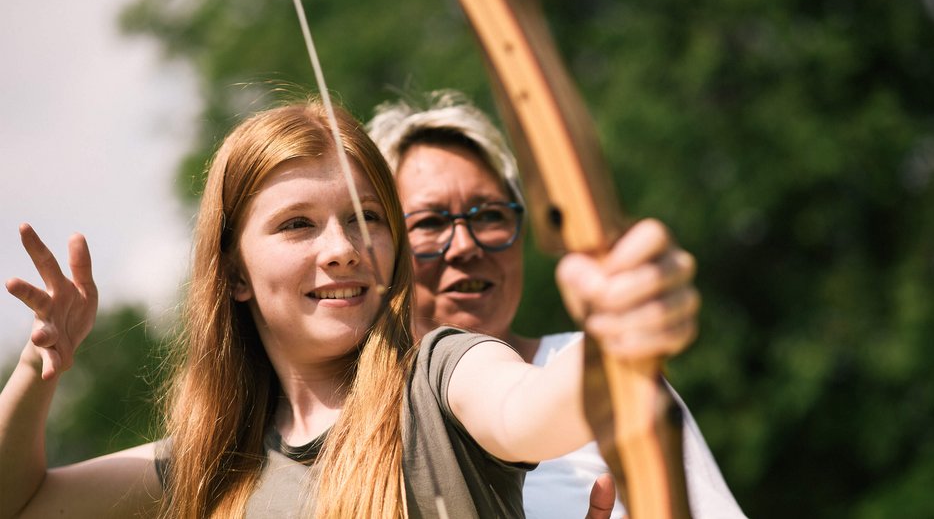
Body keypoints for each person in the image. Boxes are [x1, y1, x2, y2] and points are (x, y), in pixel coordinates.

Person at [0, 98, 699, 518]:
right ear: (234, 272)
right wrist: (39, 366)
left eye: (365, 217)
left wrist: (619, 339)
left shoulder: (440, 373)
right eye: (297, 224)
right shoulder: (214, 456)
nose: (342, 248)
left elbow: (532, 411)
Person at [367, 90, 747, 519]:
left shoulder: (593, 366)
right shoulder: (350, 412)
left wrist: (623, 328)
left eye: (490, 215)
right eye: (430, 223)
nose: (465, 246)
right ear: (381, 246)